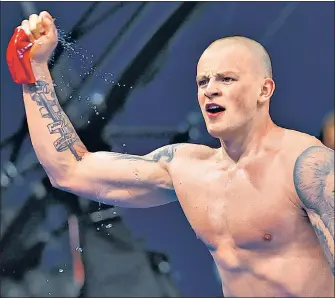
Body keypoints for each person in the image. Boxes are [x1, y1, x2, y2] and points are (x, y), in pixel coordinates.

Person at [11, 11, 334, 297]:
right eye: (203, 81)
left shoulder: (305, 164)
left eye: (227, 79)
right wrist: (34, 70)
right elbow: (69, 170)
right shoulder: (188, 169)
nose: (211, 89)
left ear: (264, 90)